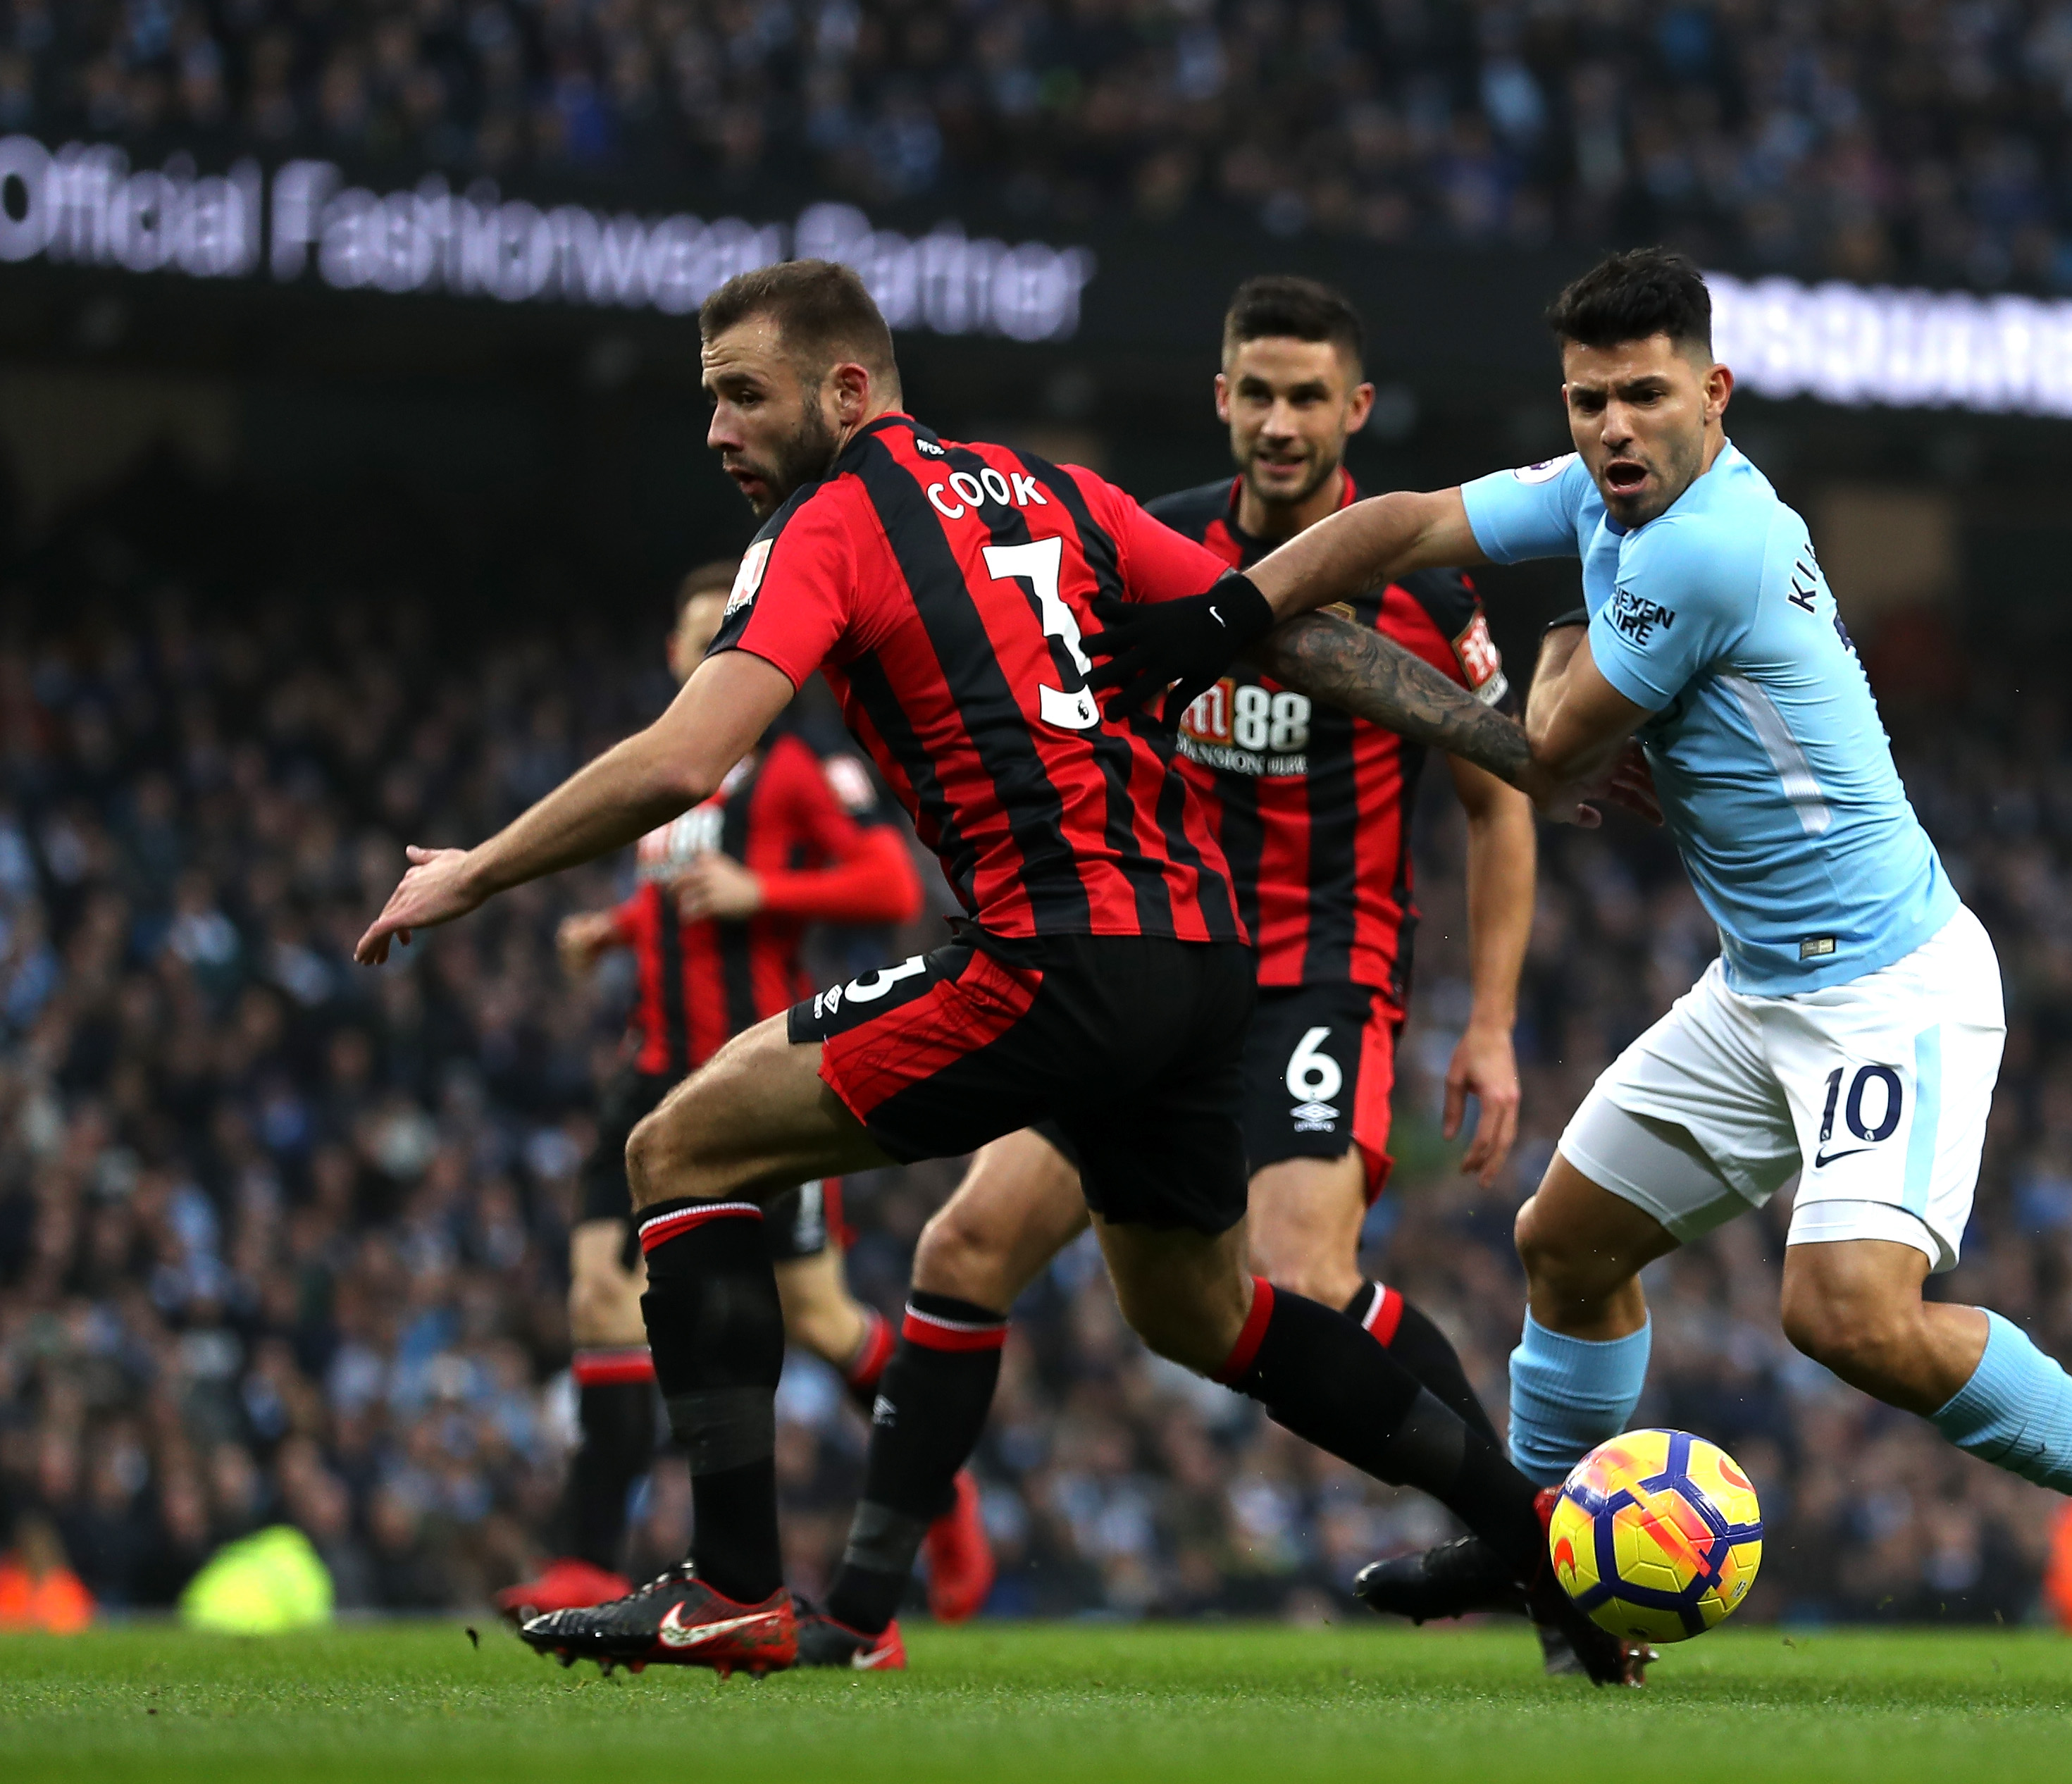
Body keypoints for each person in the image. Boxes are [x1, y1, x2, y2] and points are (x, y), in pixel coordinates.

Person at [354, 258, 1634, 1683]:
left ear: (848, 389)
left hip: (1057, 960)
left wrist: (473, 869)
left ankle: (730, 1587)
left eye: (741, 396)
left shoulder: (825, 531)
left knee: (680, 1145)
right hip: (1205, 961)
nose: (716, 431)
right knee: (1203, 1315)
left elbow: (683, 759)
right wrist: (1520, 743)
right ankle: (1543, 1550)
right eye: (708, 399)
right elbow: (1287, 632)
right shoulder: (1055, 491)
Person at [1088, 247, 2072, 1687]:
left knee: (1842, 1314)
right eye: (1587, 401)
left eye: (1643, 396)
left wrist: (1452, 655)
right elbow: (1405, 522)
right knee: (1565, 1246)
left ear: (1714, 394)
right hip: (1758, 988)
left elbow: (1547, 754)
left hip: (1888, 987)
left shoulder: (1711, 544)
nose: (1612, 429)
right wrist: (1225, 617)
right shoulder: (1599, 496)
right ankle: (1547, 1552)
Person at [804, 275, 1544, 1656]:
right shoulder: (1153, 544)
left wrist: (1491, 1023)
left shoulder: (1417, 586)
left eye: (1306, 397)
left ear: (1355, 411)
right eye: (1254, 393)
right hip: (1154, 962)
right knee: (962, 1247)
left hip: (1323, 971)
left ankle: (1521, 1546)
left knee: (1304, 1278)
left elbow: (1497, 806)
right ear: (1220, 397)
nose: (1277, 422)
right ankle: (861, 1616)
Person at [491, 564, 992, 1656]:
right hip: (647, 1069)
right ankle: (585, 1550)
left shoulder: (798, 772)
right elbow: (678, 895)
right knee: (594, 1293)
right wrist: (613, 932)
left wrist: (767, 894)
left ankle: (940, 1497)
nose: (698, 650)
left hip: (750, 1081)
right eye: (687, 635)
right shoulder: (674, 781)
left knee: (817, 1319)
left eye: (716, 632)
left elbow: (891, 888)